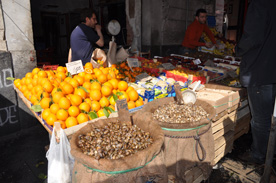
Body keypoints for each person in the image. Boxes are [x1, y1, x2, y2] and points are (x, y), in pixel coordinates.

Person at [236, 0, 276, 164]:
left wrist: (238, 49)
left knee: (261, 120)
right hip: (271, 70)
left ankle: (259, 156)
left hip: (260, 71)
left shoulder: (260, 4)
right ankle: (270, 151)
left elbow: (253, 38)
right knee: (271, 118)